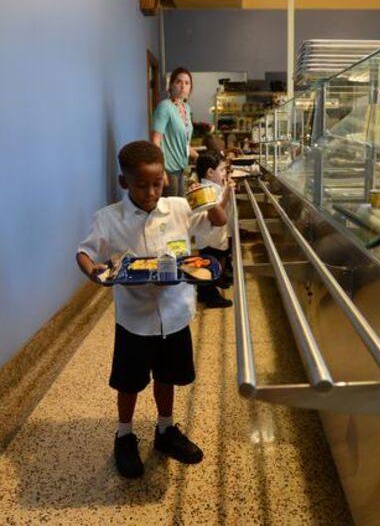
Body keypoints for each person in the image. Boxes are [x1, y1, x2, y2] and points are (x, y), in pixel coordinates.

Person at [76, 140, 232, 479]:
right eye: (141, 185)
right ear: (124, 184)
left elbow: (216, 224)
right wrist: (96, 274)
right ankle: (124, 434)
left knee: (167, 374)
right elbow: (85, 253)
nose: (150, 191)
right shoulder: (109, 218)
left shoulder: (178, 206)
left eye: (157, 182)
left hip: (175, 312)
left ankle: (165, 430)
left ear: (166, 178)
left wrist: (214, 195)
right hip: (135, 318)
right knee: (129, 382)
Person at [194, 152, 236, 308]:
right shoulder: (207, 190)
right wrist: (226, 193)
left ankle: (205, 291)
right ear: (210, 173)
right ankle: (211, 296)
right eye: (222, 170)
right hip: (209, 238)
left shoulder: (212, 187)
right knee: (209, 265)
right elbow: (217, 213)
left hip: (213, 237)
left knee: (214, 263)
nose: (224, 173)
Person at [152, 67, 199, 196]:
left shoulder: (187, 108)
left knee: (181, 208)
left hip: (182, 168)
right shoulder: (165, 107)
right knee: (172, 211)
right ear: (171, 85)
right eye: (179, 82)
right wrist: (161, 170)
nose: (183, 86)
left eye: (187, 83)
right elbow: (155, 141)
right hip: (168, 170)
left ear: (190, 88)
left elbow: (184, 142)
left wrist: (199, 157)